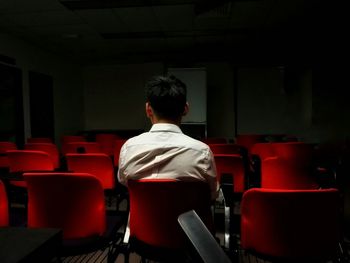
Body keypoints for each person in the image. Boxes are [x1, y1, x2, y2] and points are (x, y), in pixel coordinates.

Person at [117, 75, 219, 199]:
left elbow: (124, 182)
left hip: (143, 219)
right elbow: (212, 194)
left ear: (148, 109)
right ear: (185, 109)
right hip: (184, 219)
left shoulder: (128, 148)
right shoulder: (202, 152)